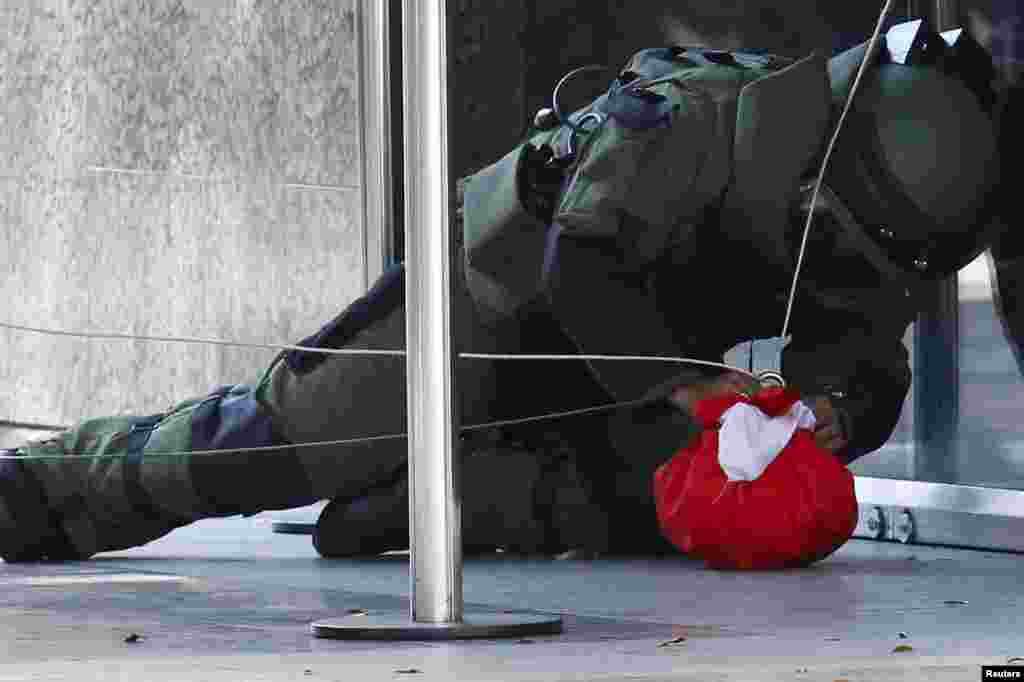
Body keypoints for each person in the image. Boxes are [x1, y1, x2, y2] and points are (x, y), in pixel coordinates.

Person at [0, 18, 1007, 564]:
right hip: (491, 302)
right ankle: (49, 493)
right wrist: (684, 390)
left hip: (624, 385)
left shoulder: (870, 224)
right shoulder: (693, 119)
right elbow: (586, 263)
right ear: (822, 176)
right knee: (259, 451)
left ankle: (427, 504)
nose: (846, 264)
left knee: (706, 511)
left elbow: (867, 359)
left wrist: (832, 413)